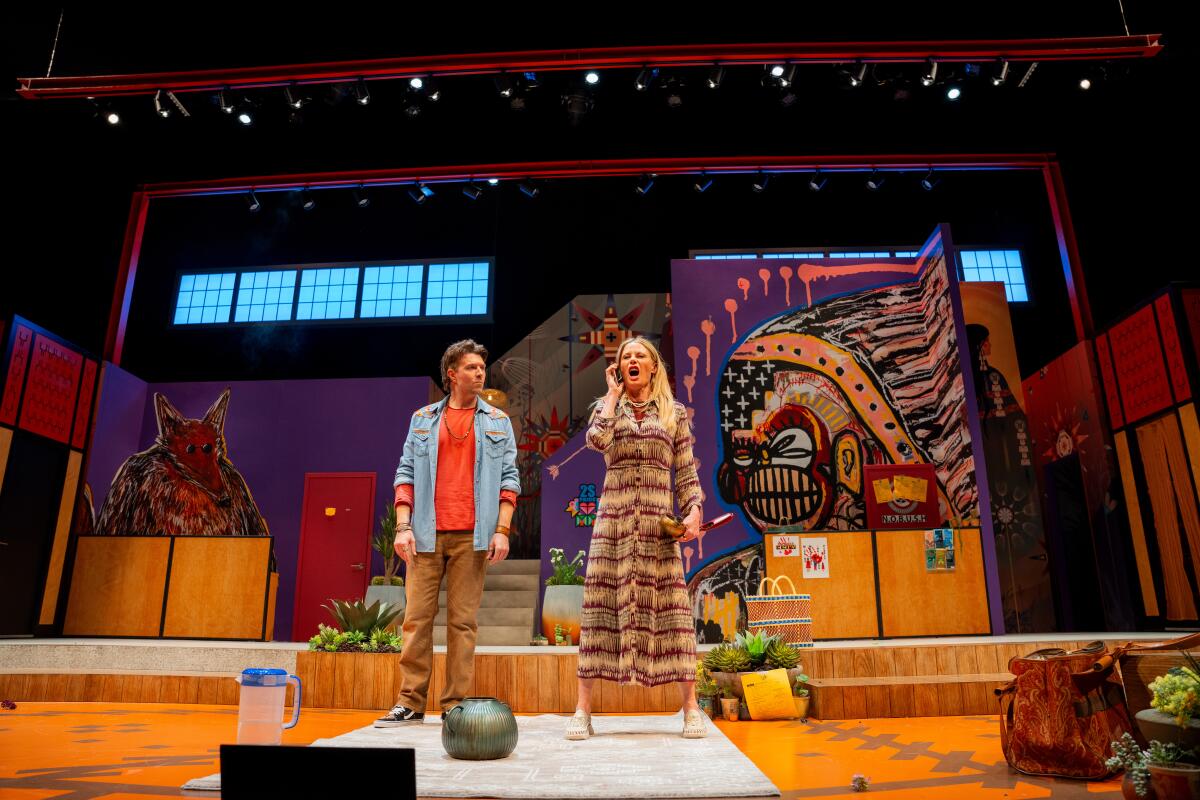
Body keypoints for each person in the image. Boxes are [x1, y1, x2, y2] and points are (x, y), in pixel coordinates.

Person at [566, 336, 707, 740]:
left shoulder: (674, 413)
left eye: (639, 356)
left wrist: (694, 509)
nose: (632, 360)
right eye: (626, 356)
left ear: (652, 367)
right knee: (598, 613)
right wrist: (610, 398)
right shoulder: (607, 409)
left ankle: (691, 709)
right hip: (613, 524)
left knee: (674, 616)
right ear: (619, 369)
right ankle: (583, 711)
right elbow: (597, 441)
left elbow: (686, 471)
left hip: (655, 530)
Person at [375, 339, 520, 726]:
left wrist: (501, 530)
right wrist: (403, 527)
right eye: (471, 367)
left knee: (462, 624)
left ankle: (455, 703)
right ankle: (410, 701)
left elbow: (510, 480)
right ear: (452, 374)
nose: (480, 373)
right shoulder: (423, 418)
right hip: (424, 535)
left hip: (472, 536)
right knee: (416, 620)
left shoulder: (498, 422)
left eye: (481, 368)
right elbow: (404, 474)